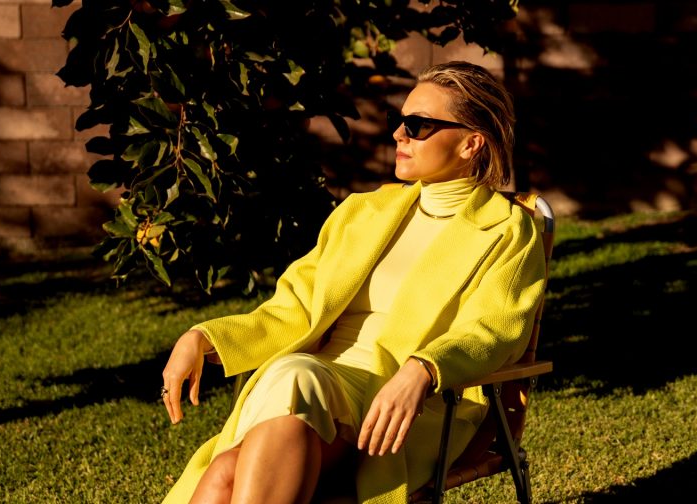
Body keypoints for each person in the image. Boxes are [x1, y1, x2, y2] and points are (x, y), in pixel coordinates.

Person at [160, 60, 547, 504]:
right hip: (317, 389)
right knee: (274, 405)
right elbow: (294, 308)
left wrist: (424, 368)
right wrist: (203, 337)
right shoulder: (364, 212)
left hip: (409, 407)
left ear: (470, 143)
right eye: (398, 121)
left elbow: (494, 330)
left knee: (234, 463)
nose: (398, 134)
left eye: (418, 126)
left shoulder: (506, 230)